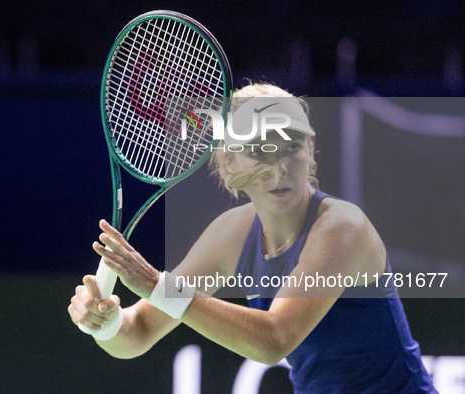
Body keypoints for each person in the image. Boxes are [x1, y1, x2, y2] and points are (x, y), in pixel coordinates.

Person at [68, 83, 437, 393]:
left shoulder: (343, 228)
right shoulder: (233, 233)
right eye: (260, 149)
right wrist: (107, 323)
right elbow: (140, 331)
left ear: (310, 153)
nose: (279, 168)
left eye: (292, 146)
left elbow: (274, 338)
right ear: (230, 161)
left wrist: (154, 284)